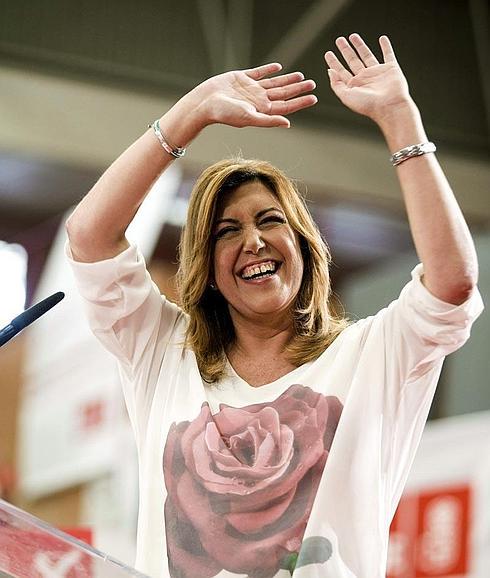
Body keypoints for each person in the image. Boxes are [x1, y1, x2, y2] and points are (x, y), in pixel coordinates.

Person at [66, 34, 483, 578]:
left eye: (270, 221)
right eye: (227, 231)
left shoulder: (375, 355)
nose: (254, 242)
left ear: (305, 246)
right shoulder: (163, 352)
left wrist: (400, 118)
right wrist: (191, 113)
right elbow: (90, 236)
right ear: (207, 270)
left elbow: (451, 283)